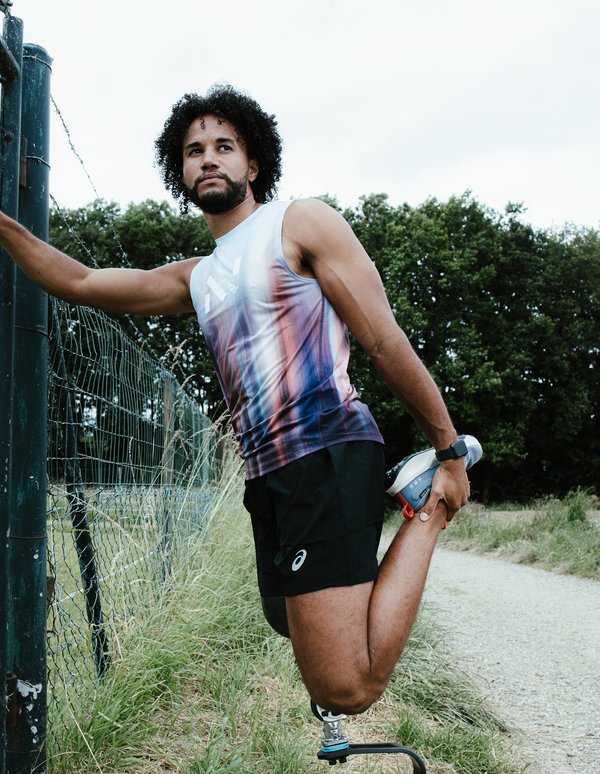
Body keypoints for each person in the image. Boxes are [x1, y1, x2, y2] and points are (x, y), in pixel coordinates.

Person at [0, 83, 477, 721]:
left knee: (344, 688)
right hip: (267, 472)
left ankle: (430, 509)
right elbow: (82, 282)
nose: (209, 159)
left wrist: (448, 449)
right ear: (182, 173)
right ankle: (366, 582)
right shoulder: (196, 277)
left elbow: (383, 338)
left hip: (326, 449)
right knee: (286, 618)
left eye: (225, 146)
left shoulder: (298, 223)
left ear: (252, 165)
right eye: (194, 151)